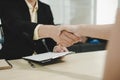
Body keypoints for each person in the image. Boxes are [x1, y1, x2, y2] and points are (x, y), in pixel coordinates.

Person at [0, 0, 80, 60]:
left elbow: (50, 39)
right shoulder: (6, 3)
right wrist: (51, 30)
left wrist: (56, 47)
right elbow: (17, 25)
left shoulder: (45, 8)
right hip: (14, 58)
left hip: (41, 58)